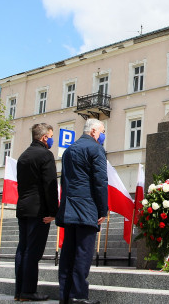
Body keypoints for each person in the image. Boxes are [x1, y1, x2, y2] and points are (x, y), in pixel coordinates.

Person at [57, 118, 108, 304]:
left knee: (68, 254)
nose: (103, 135)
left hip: (69, 209)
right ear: (94, 131)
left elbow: (64, 180)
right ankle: (78, 296)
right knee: (82, 255)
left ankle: (65, 295)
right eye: (102, 132)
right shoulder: (96, 149)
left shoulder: (69, 150)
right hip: (87, 210)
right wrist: (103, 209)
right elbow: (100, 182)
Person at [14, 123, 58, 302]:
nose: (52, 139)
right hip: (38, 210)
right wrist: (53, 211)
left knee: (22, 250)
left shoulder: (23, 156)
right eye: (51, 136)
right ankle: (29, 291)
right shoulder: (46, 155)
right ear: (45, 137)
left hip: (23, 207)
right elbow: (50, 185)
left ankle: (19, 291)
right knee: (33, 252)